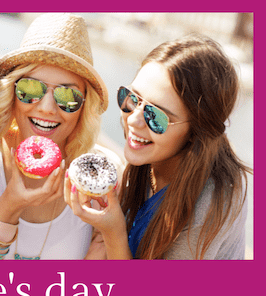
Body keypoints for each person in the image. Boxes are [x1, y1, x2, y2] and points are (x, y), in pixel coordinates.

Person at [0, 13, 122, 260]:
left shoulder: (98, 180)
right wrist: (8, 209)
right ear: (12, 93)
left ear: (84, 107)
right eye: (30, 89)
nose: (47, 108)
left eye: (67, 96)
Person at [65, 34, 252, 260]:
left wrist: (113, 232)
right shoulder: (151, 165)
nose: (133, 120)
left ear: (196, 132)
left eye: (156, 117)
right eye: (132, 99)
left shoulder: (211, 201)